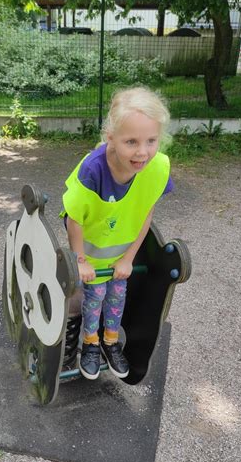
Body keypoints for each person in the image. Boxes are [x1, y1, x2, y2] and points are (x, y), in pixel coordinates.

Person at [61, 87, 173, 380]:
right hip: (92, 246)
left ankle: (110, 342)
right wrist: (80, 260)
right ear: (110, 136)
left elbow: (145, 213)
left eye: (151, 141)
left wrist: (128, 258)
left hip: (120, 251)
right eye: (131, 142)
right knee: (92, 296)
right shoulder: (93, 171)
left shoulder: (156, 166)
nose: (142, 152)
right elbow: (74, 219)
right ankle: (89, 343)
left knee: (117, 297)